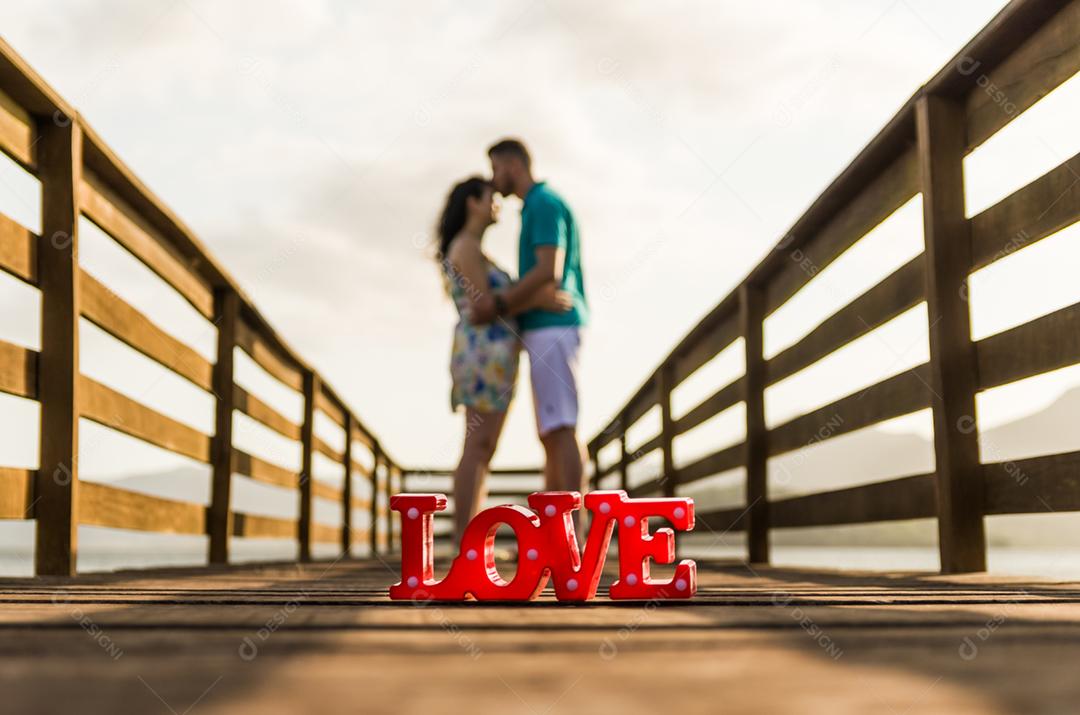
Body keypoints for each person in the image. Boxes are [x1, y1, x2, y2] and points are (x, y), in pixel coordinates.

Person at [436, 176, 570, 540]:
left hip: (494, 358)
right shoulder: (466, 246)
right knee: (477, 446)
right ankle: (466, 540)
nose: (497, 204)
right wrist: (537, 300)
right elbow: (482, 307)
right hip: (481, 357)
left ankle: (473, 540)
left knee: (484, 448)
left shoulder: (474, 248)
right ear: (473, 203)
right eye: (490, 198)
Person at [472, 139, 589, 509]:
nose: (494, 179)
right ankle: (560, 529)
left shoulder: (542, 204)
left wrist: (500, 304)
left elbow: (548, 270)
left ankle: (573, 531)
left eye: (496, 169)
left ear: (513, 165)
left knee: (560, 427)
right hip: (545, 327)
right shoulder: (538, 205)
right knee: (551, 430)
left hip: (552, 326)